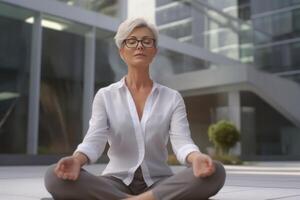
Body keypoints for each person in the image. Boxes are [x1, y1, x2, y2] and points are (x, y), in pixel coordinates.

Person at [44, 17, 226, 200]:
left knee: (215, 172)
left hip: (159, 182)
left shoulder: (172, 98)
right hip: (115, 182)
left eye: (146, 41)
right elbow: (94, 141)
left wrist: (196, 158)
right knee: (54, 176)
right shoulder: (105, 96)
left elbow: (182, 143)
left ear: (154, 50)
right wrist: (76, 161)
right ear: (122, 51)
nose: (139, 46)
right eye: (131, 41)